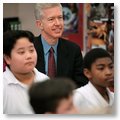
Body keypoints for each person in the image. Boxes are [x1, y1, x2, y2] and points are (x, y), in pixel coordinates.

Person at [34, 3, 88, 87]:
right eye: (51, 19)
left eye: (60, 18)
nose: (58, 23)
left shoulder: (73, 50)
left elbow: (81, 85)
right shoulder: (30, 48)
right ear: (39, 24)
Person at [3, 30, 49, 114]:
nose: (29, 56)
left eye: (31, 50)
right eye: (21, 52)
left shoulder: (45, 80)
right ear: (7, 58)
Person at [73, 48, 114, 114]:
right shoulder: (78, 97)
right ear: (87, 73)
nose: (108, 72)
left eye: (111, 67)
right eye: (101, 68)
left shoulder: (114, 97)